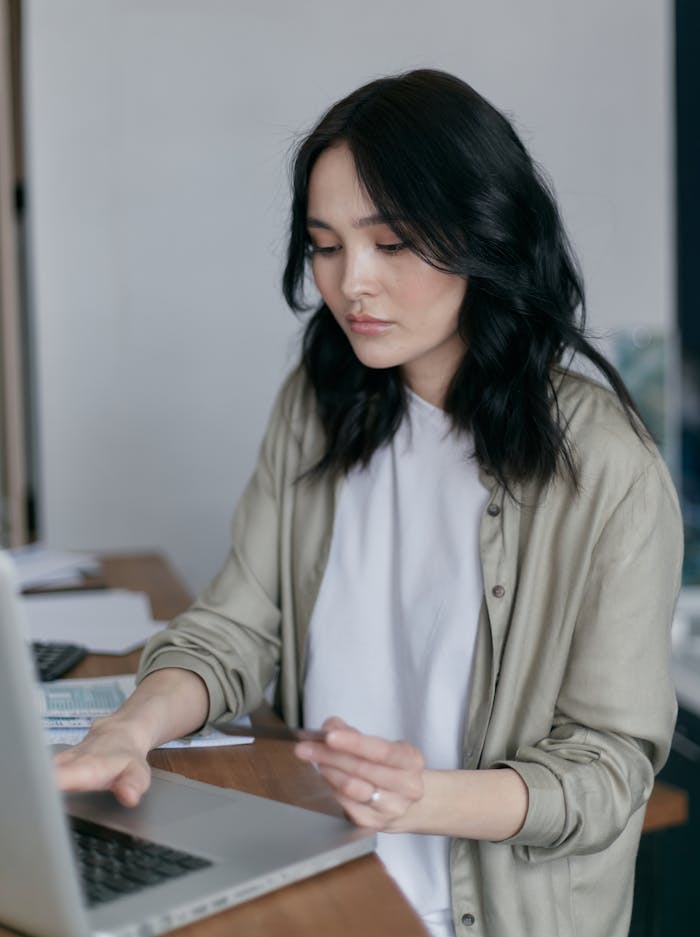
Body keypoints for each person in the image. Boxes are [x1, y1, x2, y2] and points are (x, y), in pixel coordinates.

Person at [55, 69, 683, 937]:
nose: (352, 283)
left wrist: (421, 796)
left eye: (392, 244)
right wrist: (128, 728)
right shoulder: (319, 403)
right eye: (326, 244)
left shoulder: (605, 466)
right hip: (324, 874)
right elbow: (237, 626)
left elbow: (609, 771)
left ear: (485, 234)